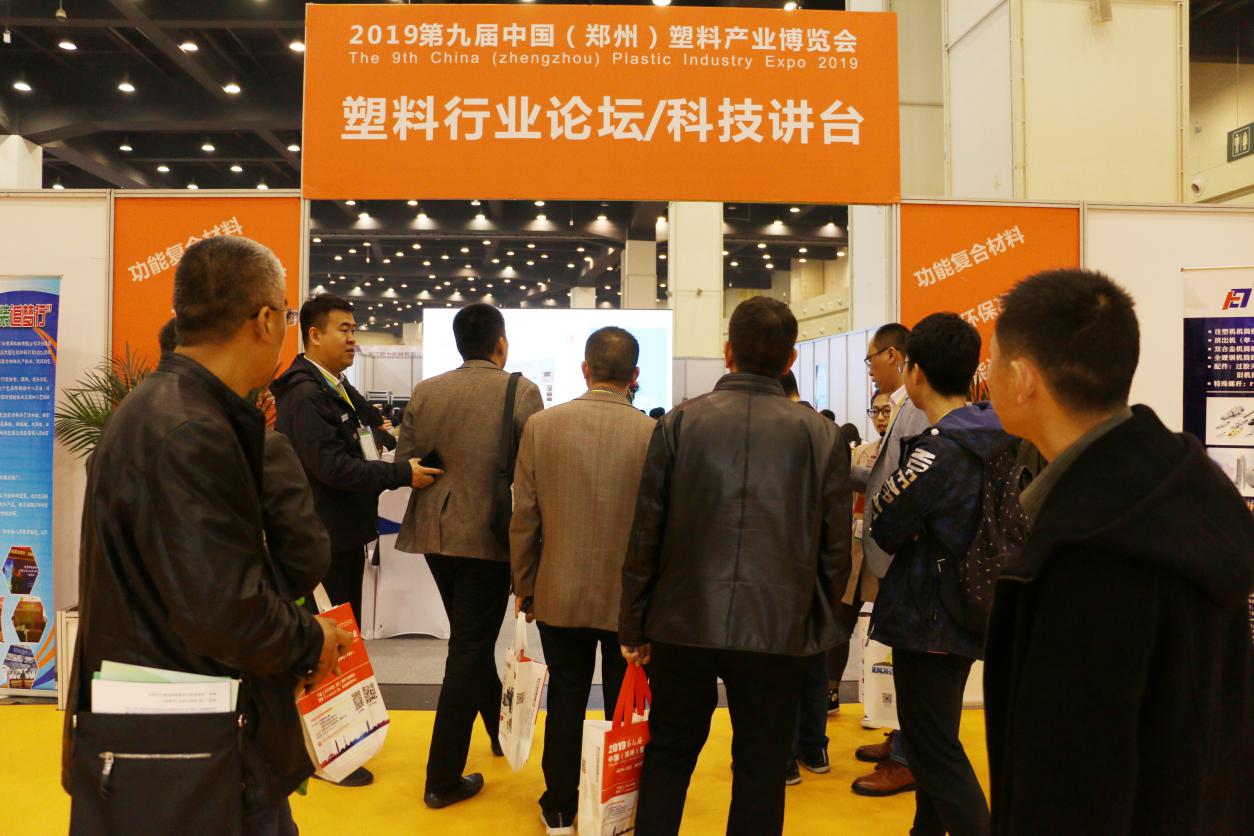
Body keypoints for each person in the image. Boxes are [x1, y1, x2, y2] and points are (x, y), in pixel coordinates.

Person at [64, 237, 353, 835]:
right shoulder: (190, 429)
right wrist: (311, 638)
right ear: (265, 320)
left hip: (176, 743)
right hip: (190, 754)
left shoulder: (164, 410)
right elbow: (223, 609)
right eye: (286, 316)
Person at [985, 269, 1254, 834]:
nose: (986, 377)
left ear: (1023, 379)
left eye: (993, 361)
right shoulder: (1189, 487)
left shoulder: (1087, 555)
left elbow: (1071, 782)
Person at [620, 296, 852, 836]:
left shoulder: (679, 423)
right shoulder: (821, 435)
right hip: (777, 625)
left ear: (728, 352)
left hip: (681, 618)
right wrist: (816, 625)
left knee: (669, 752)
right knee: (762, 766)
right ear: (791, 359)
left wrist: (633, 622)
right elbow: (835, 548)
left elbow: (646, 532)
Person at [396, 302, 544, 810]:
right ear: (501, 345)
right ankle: (442, 778)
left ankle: (500, 733)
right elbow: (533, 471)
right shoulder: (521, 390)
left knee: (469, 638)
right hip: (490, 535)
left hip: (435, 533)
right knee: (468, 647)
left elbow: (407, 462)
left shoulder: (426, 390)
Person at [510, 327, 656, 836]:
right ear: (634, 375)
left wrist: (525, 584)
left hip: (559, 590)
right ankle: (617, 805)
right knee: (626, 706)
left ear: (585, 369)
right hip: (629, 601)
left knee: (566, 698)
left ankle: (559, 807)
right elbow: (659, 526)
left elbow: (524, 516)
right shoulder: (653, 433)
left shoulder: (542, 427)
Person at [868, 312, 1008, 836]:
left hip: (929, 614)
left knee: (934, 750)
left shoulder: (939, 449)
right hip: (968, 604)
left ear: (915, 372)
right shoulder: (995, 437)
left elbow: (885, 523)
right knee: (935, 740)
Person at [850, 323, 929, 797]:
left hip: (905, 552)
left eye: (871, 359)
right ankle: (900, 740)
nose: (870, 369)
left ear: (894, 356)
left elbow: (909, 483)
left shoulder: (915, 410)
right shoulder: (902, 406)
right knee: (900, 657)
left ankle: (907, 757)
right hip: (895, 551)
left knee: (912, 663)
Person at [826, 389, 893, 718]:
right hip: (855, 551)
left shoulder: (904, 453)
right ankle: (830, 691)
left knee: (888, 628)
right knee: (841, 622)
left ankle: (886, 703)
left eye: (886, 411)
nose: (880, 418)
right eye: (875, 411)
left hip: (888, 553)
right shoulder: (861, 453)